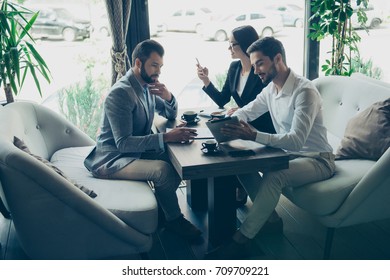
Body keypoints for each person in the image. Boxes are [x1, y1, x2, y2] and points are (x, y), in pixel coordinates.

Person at [206, 37, 336, 259]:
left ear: (278, 59)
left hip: (317, 159)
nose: (256, 70)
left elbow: (296, 140)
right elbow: (248, 110)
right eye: (254, 64)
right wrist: (230, 124)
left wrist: (254, 135)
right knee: (240, 162)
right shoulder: (271, 90)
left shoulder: (304, 91)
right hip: (289, 155)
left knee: (275, 176)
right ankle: (271, 220)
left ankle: (241, 239)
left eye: (260, 64)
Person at [84, 39, 202, 241]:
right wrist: (165, 137)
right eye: (154, 65)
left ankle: (162, 209)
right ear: (139, 63)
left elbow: (169, 114)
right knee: (163, 170)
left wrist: (169, 96)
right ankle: (174, 219)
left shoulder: (145, 85)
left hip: (133, 153)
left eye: (160, 66)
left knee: (178, 157)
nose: (158, 72)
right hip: (111, 159)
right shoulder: (121, 93)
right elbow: (123, 143)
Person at [196, 25, 275, 207]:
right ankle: (230, 190)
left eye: (232, 44)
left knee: (225, 148)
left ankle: (235, 189)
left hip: (261, 126)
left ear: (246, 45)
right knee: (217, 140)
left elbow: (266, 104)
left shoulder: (262, 72)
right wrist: (205, 80)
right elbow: (223, 99)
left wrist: (240, 111)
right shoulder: (234, 68)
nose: (229, 48)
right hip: (242, 122)